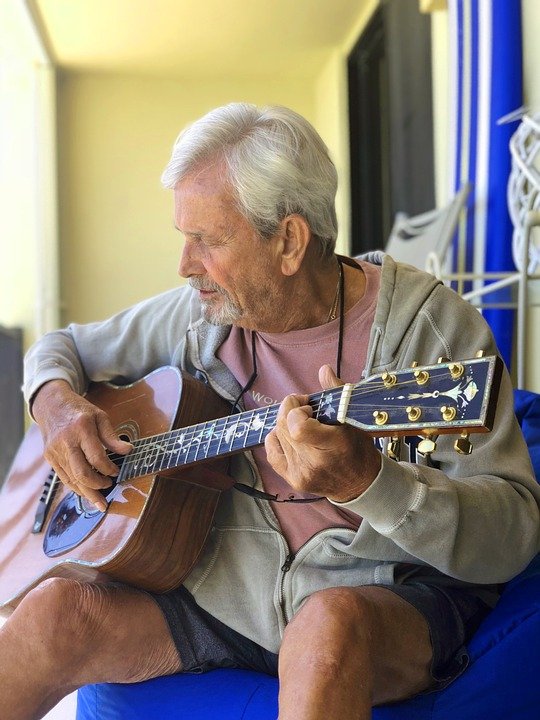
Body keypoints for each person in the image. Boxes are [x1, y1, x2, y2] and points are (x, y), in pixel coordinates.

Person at [2, 103, 539, 720]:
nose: (185, 265)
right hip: (224, 598)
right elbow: (60, 347)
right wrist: (56, 404)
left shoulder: (430, 332)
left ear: (288, 241)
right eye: (184, 237)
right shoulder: (201, 314)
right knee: (49, 617)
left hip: (382, 595)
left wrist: (371, 484)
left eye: (206, 240)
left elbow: (515, 536)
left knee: (326, 631)